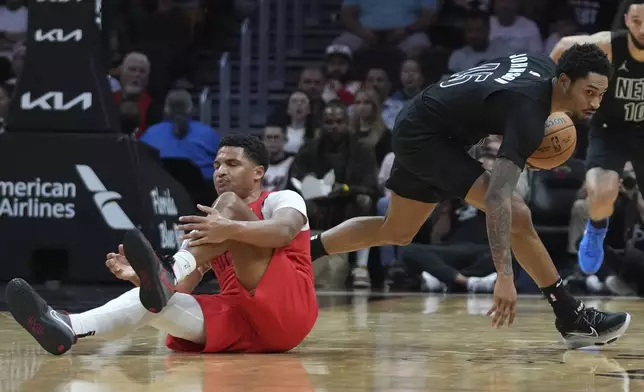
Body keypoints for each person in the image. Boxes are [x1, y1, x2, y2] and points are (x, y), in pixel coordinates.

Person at [309, 44, 632, 349]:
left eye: (601, 94)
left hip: (423, 116)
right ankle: (570, 315)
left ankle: (303, 250)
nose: (595, 103)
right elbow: (496, 199)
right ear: (564, 81)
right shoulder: (529, 114)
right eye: (589, 92)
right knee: (516, 213)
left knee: (396, 231)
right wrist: (505, 276)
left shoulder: (541, 63)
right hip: (427, 138)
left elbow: (486, 82)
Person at [5, 134, 318, 355]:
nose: (221, 171)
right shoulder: (214, 221)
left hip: (288, 307)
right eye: (216, 165)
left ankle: (170, 267)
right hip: (244, 322)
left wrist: (230, 227)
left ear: (258, 173)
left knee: (227, 207)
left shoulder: (280, 198)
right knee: (157, 302)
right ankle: (70, 327)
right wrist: (142, 279)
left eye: (232, 164)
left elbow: (285, 232)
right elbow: (180, 291)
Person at [550, 0, 644, 276]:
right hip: (611, 128)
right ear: (627, 20)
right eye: (637, 22)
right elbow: (563, 46)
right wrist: (548, 95)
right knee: (602, 192)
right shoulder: (608, 46)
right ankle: (595, 230)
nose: (643, 29)